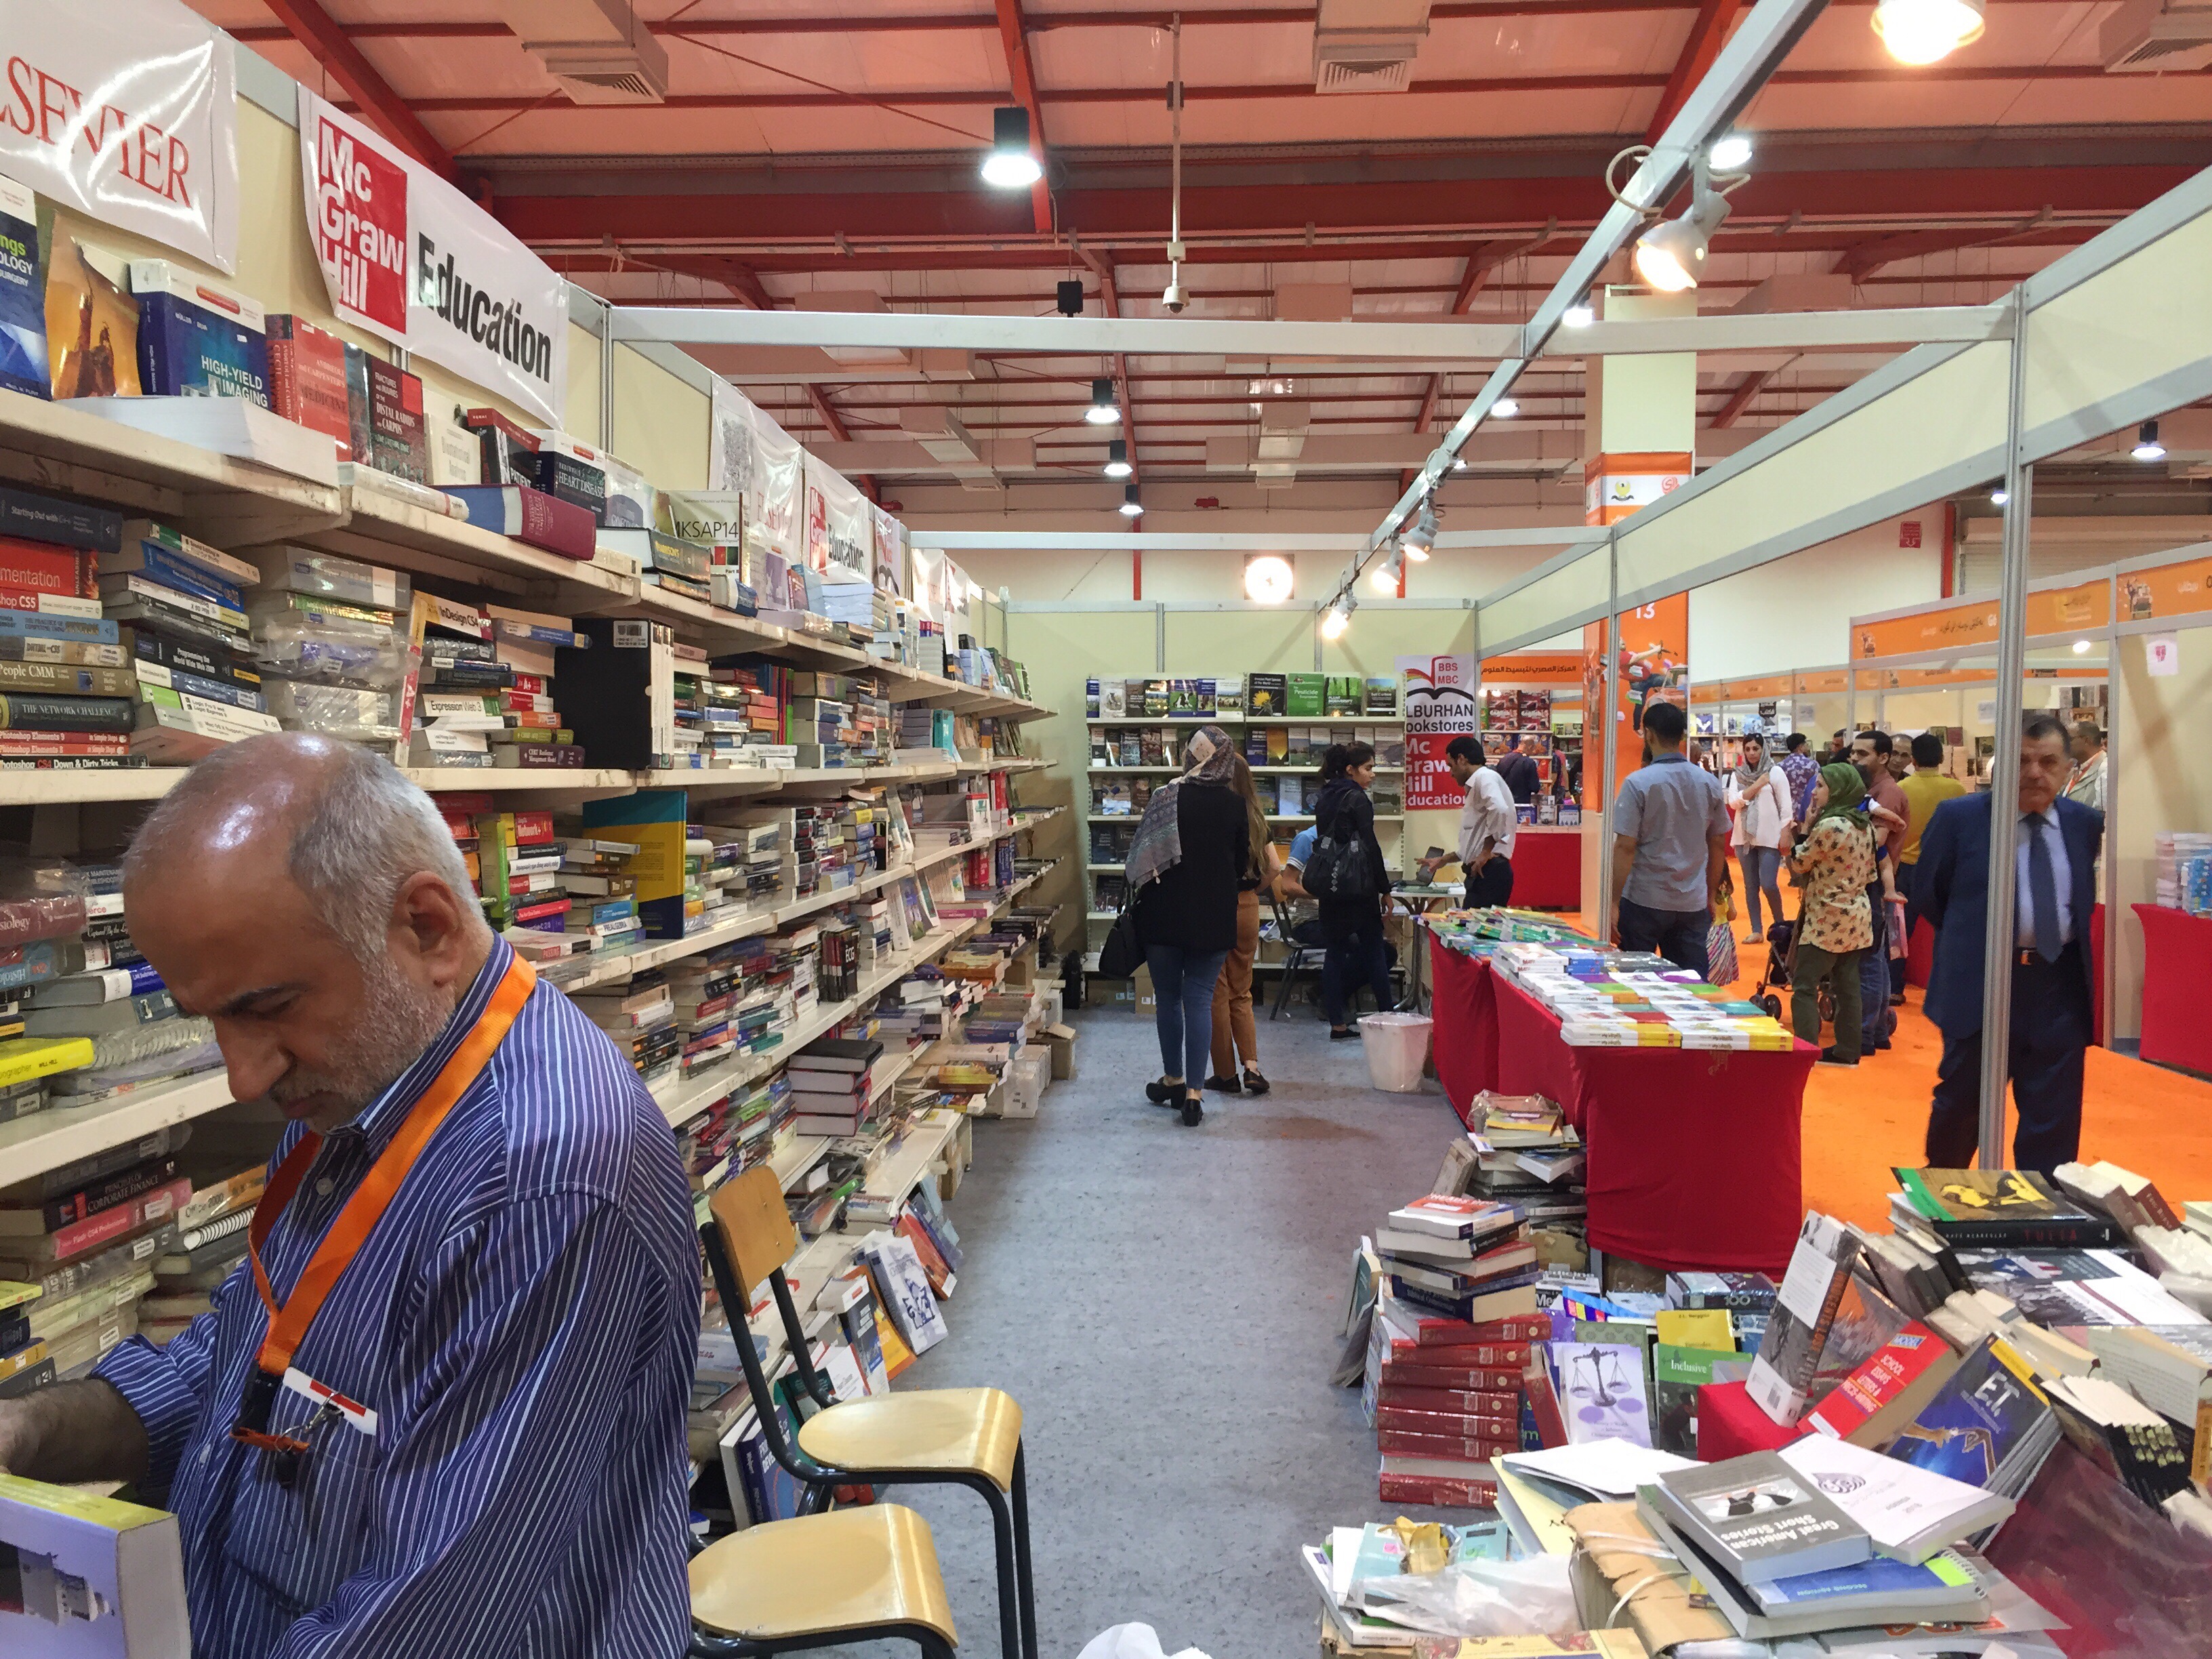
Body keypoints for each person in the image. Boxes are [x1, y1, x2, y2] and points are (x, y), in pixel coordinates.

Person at [0, 735, 698, 1657]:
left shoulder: (537, 1183)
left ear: (427, 928)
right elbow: (246, 1365)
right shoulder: (370, 1076)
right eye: (211, 1020)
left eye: (264, 1008)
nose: (244, 1077)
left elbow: (425, 1625)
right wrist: (29, 1428)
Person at [1917, 714, 2104, 1174]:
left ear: (2067, 768)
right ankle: (1942, 1199)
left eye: (2048, 762)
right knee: (1962, 1108)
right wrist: (1977, 942)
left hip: (2057, 990)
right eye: (2021, 761)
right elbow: (1931, 895)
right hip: (1980, 984)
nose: (2035, 773)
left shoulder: (2083, 824)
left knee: (2054, 1119)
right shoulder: (1959, 818)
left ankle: (2041, 1208)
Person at [1129, 724, 1249, 1126]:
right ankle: (1195, 1096)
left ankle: (1173, 1080)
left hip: (1163, 915)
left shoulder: (1165, 798)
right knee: (1199, 999)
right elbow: (1240, 864)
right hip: (1213, 918)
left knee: (1168, 998)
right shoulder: (1234, 805)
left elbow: (1140, 858)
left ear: (1191, 756)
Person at [1609, 697, 1729, 976]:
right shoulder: (1709, 783)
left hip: (1644, 898)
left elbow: (1625, 846)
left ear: (1649, 735)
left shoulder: (1638, 783)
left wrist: (1613, 902)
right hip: (1692, 901)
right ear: (1682, 736)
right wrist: (1711, 895)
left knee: (1638, 980)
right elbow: (1718, 843)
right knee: (1690, 983)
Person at [1786, 763, 1879, 1066]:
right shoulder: (1865, 826)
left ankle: (1806, 1051)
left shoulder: (1830, 826)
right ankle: (1848, 1050)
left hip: (1825, 919)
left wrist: (1804, 829)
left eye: (1821, 786)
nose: (1814, 792)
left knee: (1804, 986)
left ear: (1838, 790)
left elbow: (1800, 863)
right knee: (1848, 987)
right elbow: (1870, 874)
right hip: (1857, 919)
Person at [1313, 741, 1397, 1040]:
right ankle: (1388, 1019)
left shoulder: (1324, 797)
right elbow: (1370, 846)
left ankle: (1337, 1023)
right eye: (1368, 768)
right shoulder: (1358, 799)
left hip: (1331, 886)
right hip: (1358, 887)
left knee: (1334, 954)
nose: (1372, 774)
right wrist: (1385, 889)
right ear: (1350, 770)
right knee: (1374, 951)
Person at [1207, 754, 1278, 1097]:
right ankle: (1252, 1066)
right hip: (1248, 907)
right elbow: (1275, 867)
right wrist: (1252, 892)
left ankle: (1225, 1074)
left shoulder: (1215, 815)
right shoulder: (1256, 818)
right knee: (1242, 990)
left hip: (1216, 905)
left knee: (1216, 993)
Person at [1851, 730, 1910, 1046]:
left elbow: (1877, 841)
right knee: (1876, 960)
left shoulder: (1886, 793)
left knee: (1869, 961)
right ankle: (1876, 1030)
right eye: (1853, 753)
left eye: (1862, 754)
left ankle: (1866, 1032)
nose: (1854, 758)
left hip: (1872, 885)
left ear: (1883, 757)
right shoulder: (1870, 789)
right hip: (1869, 883)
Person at [1898, 731, 1965, 942]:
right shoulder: (1956, 789)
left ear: (1913, 760)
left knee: (1902, 929)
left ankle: (1897, 964)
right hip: (1943, 867)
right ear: (1942, 758)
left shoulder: (1901, 788)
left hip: (1907, 866)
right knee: (1943, 926)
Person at [1725, 731, 1789, 944]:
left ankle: (1780, 925)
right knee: (1750, 886)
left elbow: (1786, 805)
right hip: (1744, 837)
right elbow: (1734, 802)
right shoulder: (1737, 774)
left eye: (1756, 748)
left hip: (1769, 837)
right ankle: (1756, 930)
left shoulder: (1775, 772)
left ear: (1764, 749)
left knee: (1769, 884)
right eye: (1748, 749)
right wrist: (1757, 785)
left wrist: (1785, 832)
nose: (1752, 753)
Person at [1443, 733, 1517, 908]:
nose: (1451, 773)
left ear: (1461, 759)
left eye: (1451, 765)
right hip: (1482, 873)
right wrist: (1443, 860)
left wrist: (1486, 852)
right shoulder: (1477, 783)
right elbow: (1473, 843)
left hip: (1490, 872)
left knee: (1476, 924)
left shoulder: (1484, 777)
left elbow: (1499, 809)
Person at [1779, 731, 1821, 829]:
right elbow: (1818, 784)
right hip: (1808, 807)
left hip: (1787, 809)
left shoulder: (1781, 766)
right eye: (1806, 744)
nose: (1807, 747)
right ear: (1800, 747)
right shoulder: (1812, 764)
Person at [2066, 721, 2107, 813]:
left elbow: (2102, 814)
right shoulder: (2074, 768)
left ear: (2087, 741)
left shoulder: (2105, 768)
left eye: (2069, 739)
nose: (2065, 744)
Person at [1494, 733, 1540, 805]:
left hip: (1504, 802)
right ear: (1530, 747)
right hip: (1521, 803)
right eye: (1533, 749)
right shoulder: (1529, 762)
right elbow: (1535, 787)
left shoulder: (1504, 759)